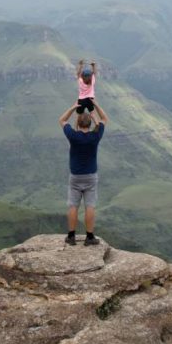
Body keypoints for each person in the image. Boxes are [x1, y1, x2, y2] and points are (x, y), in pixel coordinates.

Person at [58, 101, 108, 246]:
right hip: (91, 176)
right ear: (90, 124)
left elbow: (62, 120)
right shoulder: (95, 135)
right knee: (90, 206)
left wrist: (73, 108)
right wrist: (95, 110)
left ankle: (71, 236)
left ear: (78, 123)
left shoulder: (73, 135)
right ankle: (90, 237)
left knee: (73, 205)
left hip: (75, 177)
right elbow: (104, 119)